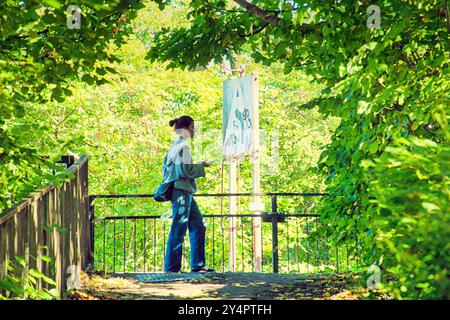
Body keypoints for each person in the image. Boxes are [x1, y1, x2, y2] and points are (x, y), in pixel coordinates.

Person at [161, 115, 215, 273]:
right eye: (192, 127)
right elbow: (185, 170)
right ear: (185, 129)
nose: (194, 130)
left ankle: (198, 265)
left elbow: (169, 169)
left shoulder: (174, 146)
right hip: (182, 193)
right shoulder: (183, 147)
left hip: (184, 193)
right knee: (179, 229)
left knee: (198, 225)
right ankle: (171, 268)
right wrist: (202, 166)